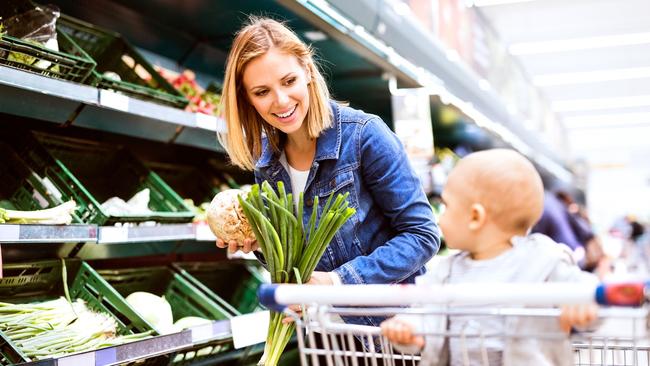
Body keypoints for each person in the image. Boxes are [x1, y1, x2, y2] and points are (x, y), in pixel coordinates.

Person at [215, 17, 440, 325]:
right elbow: (296, 265)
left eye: (289, 81)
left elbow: (422, 235)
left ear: (307, 70)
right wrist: (262, 244)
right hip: (326, 338)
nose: (281, 101)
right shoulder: (266, 165)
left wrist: (337, 282)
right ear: (246, 98)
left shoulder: (364, 136)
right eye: (262, 91)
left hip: (390, 332)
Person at [380, 149, 598, 366]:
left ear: (476, 217)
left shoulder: (543, 259)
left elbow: (588, 289)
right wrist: (408, 329)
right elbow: (424, 313)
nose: (440, 219)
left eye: (446, 207)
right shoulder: (446, 271)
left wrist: (584, 301)